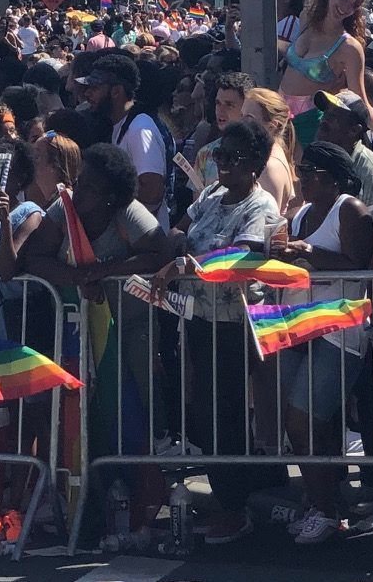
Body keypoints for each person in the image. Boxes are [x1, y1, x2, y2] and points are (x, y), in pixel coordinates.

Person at [154, 121, 278, 546]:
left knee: (223, 414)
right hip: (199, 319)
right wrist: (173, 243)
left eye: (233, 157)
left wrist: (186, 265)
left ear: (256, 165)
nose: (222, 164)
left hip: (236, 322)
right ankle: (230, 496)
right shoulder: (209, 195)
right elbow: (181, 227)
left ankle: (235, 506)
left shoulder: (260, 206)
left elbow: (244, 255)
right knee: (203, 413)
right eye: (219, 155)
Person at [275, 141, 373, 546]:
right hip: (298, 322)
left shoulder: (350, 209)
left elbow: (359, 264)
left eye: (309, 171)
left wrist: (309, 250)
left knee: (303, 419)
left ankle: (325, 509)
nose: (301, 177)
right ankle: (328, 505)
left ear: (332, 177)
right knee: (308, 423)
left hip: (341, 329)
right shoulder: (299, 214)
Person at [280, 0, 373, 138]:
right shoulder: (306, 18)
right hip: (278, 116)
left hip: (310, 126)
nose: (347, 7)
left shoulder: (349, 48)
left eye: (355, 4)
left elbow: (361, 101)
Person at [71, 53, 169, 212]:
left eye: (94, 88)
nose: (87, 94)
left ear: (116, 91)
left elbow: (153, 191)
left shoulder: (140, 129)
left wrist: (106, 194)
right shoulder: (120, 124)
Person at [313, 90, 373, 228]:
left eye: (332, 117)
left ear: (354, 130)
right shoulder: (320, 159)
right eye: (325, 114)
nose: (323, 121)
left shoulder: (371, 172)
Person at [242, 87, 297, 213]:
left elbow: (267, 224)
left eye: (249, 117)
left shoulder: (269, 167)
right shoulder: (267, 157)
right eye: (242, 115)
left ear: (272, 126)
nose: (242, 122)